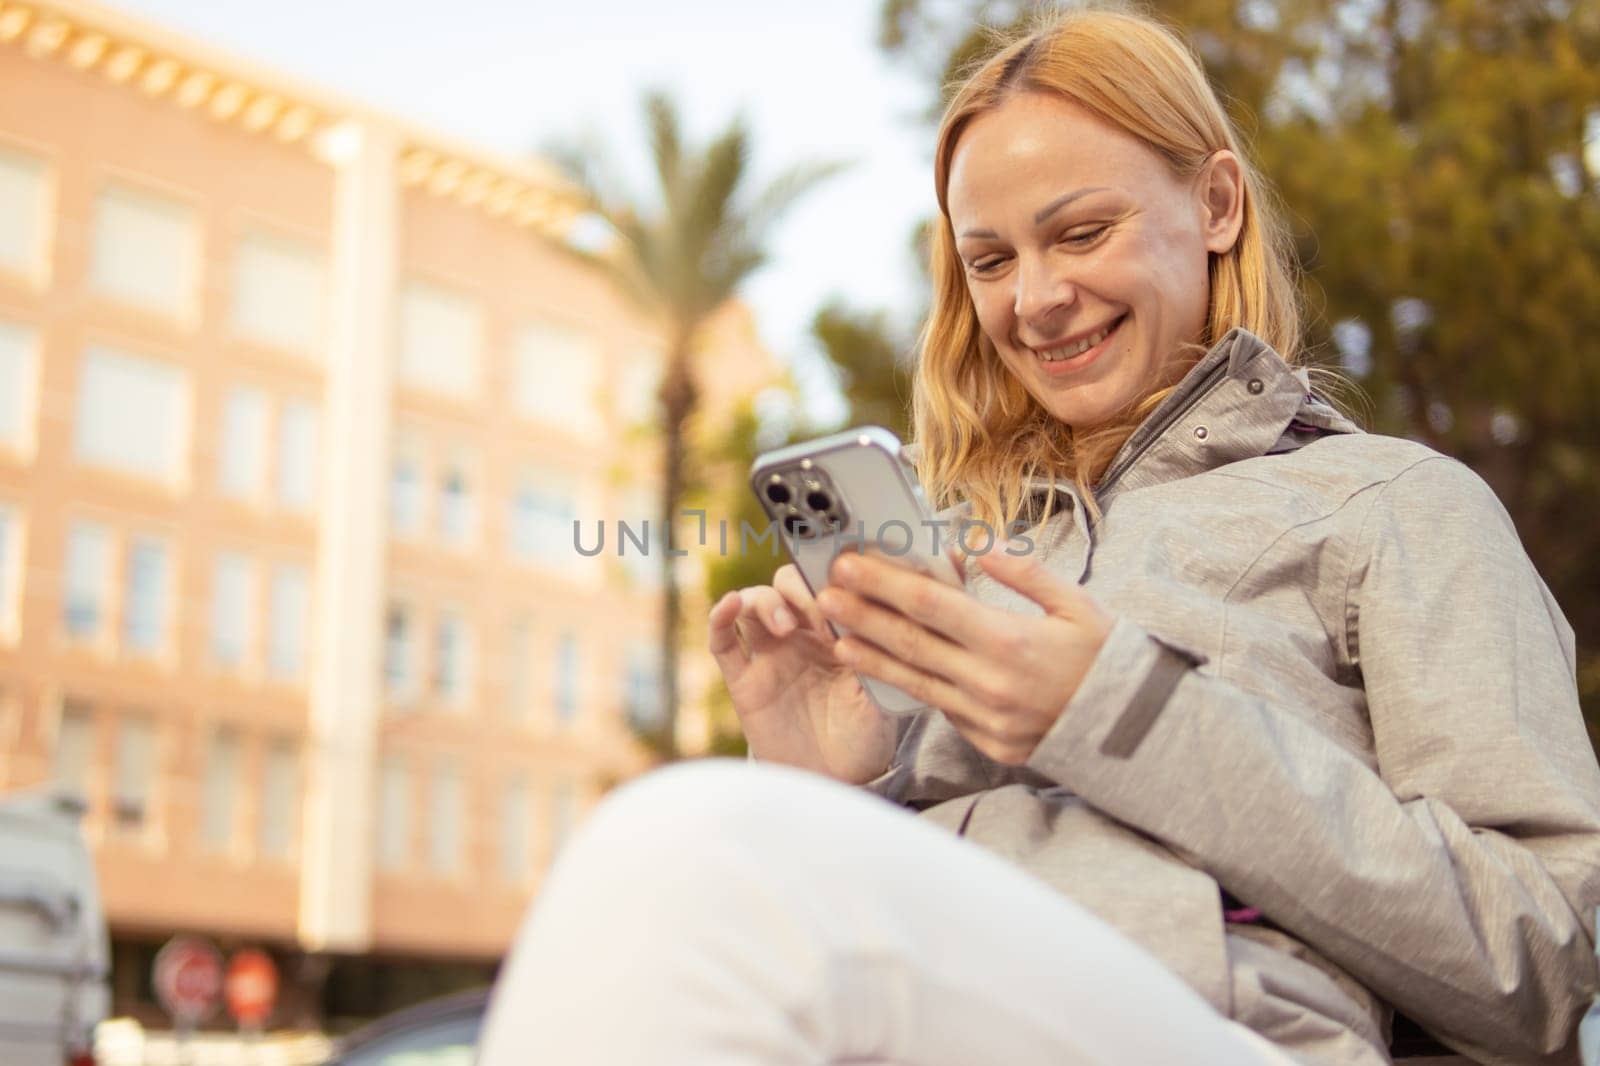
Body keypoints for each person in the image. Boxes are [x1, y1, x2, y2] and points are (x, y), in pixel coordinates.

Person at [476, 7, 1600, 1065]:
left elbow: (1545, 960)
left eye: (1081, 232)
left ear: (1216, 207)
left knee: (674, 840)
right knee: (672, 851)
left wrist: (1112, 709)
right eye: (992, 260)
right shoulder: (963, 560)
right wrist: (823, 783)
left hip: (1229, 1030)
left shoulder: (1389, 503)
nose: (1035, 298)